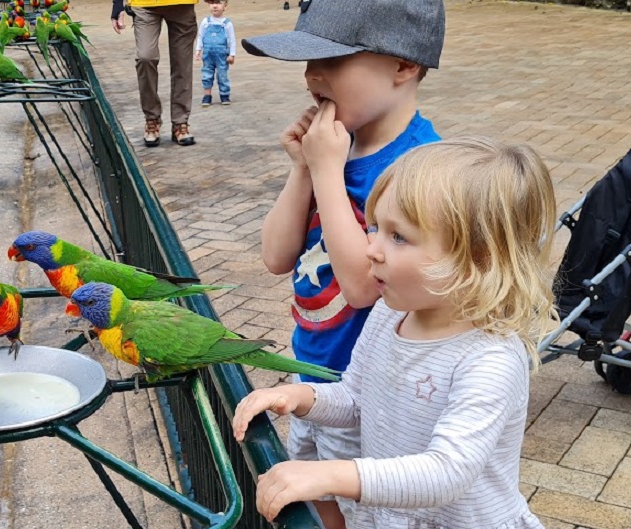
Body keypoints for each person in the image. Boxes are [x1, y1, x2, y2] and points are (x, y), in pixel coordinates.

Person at [233, 137, 557, 529]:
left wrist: (329, 474)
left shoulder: (490, 358)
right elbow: (356, 397)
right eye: (375, 228)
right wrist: (300, 396)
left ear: (478, 259)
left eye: (398, 236)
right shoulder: (390, 312)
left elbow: (446, 472)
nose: (372, 249)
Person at [241, 0, 445, 526]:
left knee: (363, 511)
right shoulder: (333, 147)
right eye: (308, 62)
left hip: (366, 394)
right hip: (312, 378)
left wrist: (327, 168)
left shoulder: (422, 169)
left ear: (404, 66)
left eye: (333, 60)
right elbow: (275, 255)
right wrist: (304, 170)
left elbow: (362, 286)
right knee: (317, 501)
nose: (312, 75)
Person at [111, 0, 198, 146]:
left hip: (182, 4)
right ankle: (152, 118)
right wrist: (118, 5)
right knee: (145, 57)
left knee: (183, 64)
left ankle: (180, 122)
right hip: (144, 5)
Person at [194, 0, 236, 107]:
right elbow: (200, 36)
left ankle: (224, 94)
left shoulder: (227, 24)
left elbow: (232, 40)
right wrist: (198, 50)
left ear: (225, 6)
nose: (215, 6)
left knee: (222, 75)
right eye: (212, 3)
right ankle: (207, 95)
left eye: (218, 3)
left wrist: (232, 54)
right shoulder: (206, 22)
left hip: (222, 54)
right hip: (208, 54)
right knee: (207, 74)